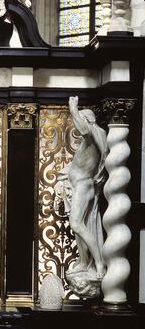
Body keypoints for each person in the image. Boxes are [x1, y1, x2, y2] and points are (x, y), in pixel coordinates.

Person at [66, 96, 108, 281]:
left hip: (83, 185)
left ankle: (98, 263)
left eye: (79, 119)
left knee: (76, 224)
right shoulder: (97, 137)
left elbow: (84, 129)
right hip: (81, 184)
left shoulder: (91, 134)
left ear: (87, 120)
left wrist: (73, 109)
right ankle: (84, 262)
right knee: (79, 226)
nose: (76, 125)